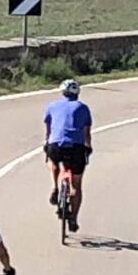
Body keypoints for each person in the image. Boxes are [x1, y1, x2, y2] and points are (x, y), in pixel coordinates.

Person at [43, 76, 93, 222]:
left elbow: (48, 129)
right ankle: (74, 219)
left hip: (56, 144)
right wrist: (88, 147)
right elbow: (86, 133)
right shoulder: (83, 108)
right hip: (76, 148)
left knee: (51, 159)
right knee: (76, 184)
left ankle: (54, 186)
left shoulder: (52, 106)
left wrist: (47, 142)